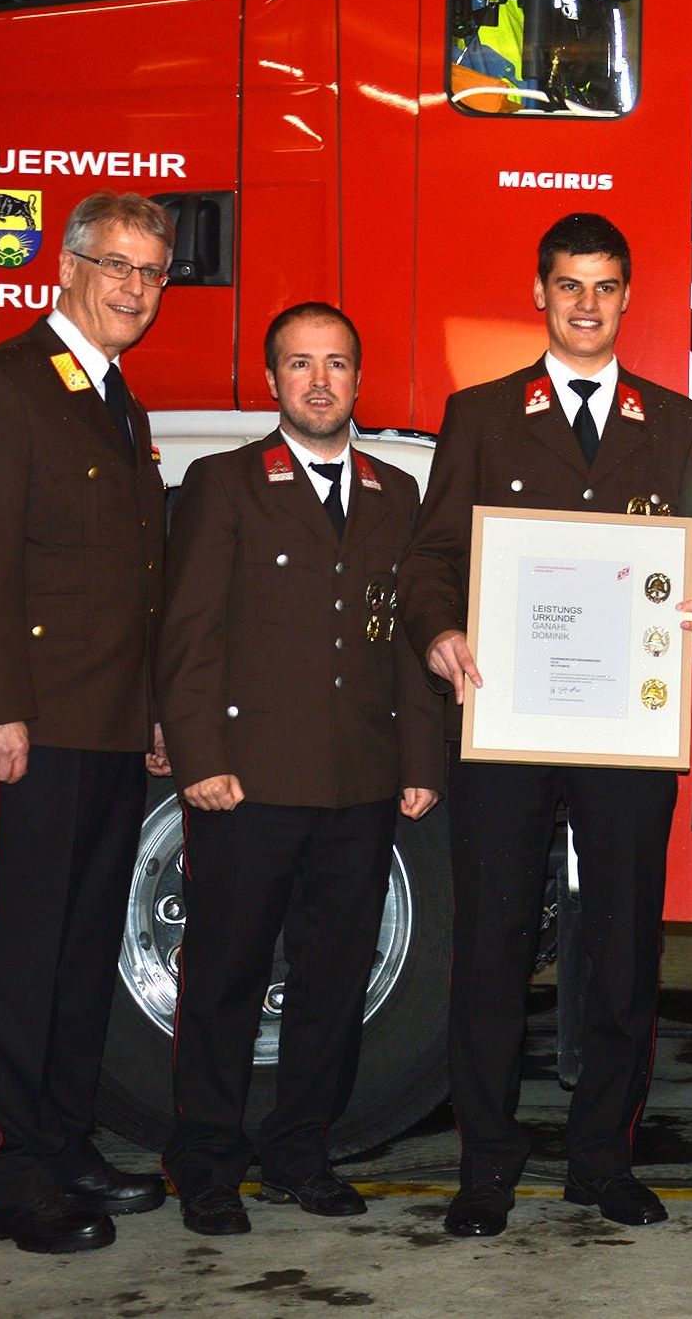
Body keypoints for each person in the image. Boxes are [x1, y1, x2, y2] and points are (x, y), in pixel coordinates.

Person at [399, 212, 692, 1237]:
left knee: (623, 950)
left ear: (627, 297)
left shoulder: (678, 422)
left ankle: (603, 1160)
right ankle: (485, 1167)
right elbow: (432, 555)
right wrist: (441, 629)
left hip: (625, 730)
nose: (587, 304)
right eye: (570, 285)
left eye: (605, 286)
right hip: (505, 717)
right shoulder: (482, 413)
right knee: (491, 946)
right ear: (540, 293)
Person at [154, 303, 444, 1236]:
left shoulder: (397, 493)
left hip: (359, 780)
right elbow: (189, 630)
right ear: (272, 379)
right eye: (299, 364)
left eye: (336, 364)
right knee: (225, 978)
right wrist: (199, 757)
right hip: (248, 782)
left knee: (334, 980)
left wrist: (419, 759)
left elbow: (405, 637)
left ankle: (299, 1154)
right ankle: (206, 1163)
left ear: (360, 378)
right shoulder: (225, 481)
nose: (320, 382)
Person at [0, 191, 178, 1253]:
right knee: (17, 960)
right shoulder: (5, 384)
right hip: (25, 730)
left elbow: (135, 583)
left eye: (152, 272)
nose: (135, 287)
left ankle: (64, 1145)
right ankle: (2, 1178)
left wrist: (152, 711)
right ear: (67, 266)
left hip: (107, 728)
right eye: (116, 264)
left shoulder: (117, 399)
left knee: (80, 959)